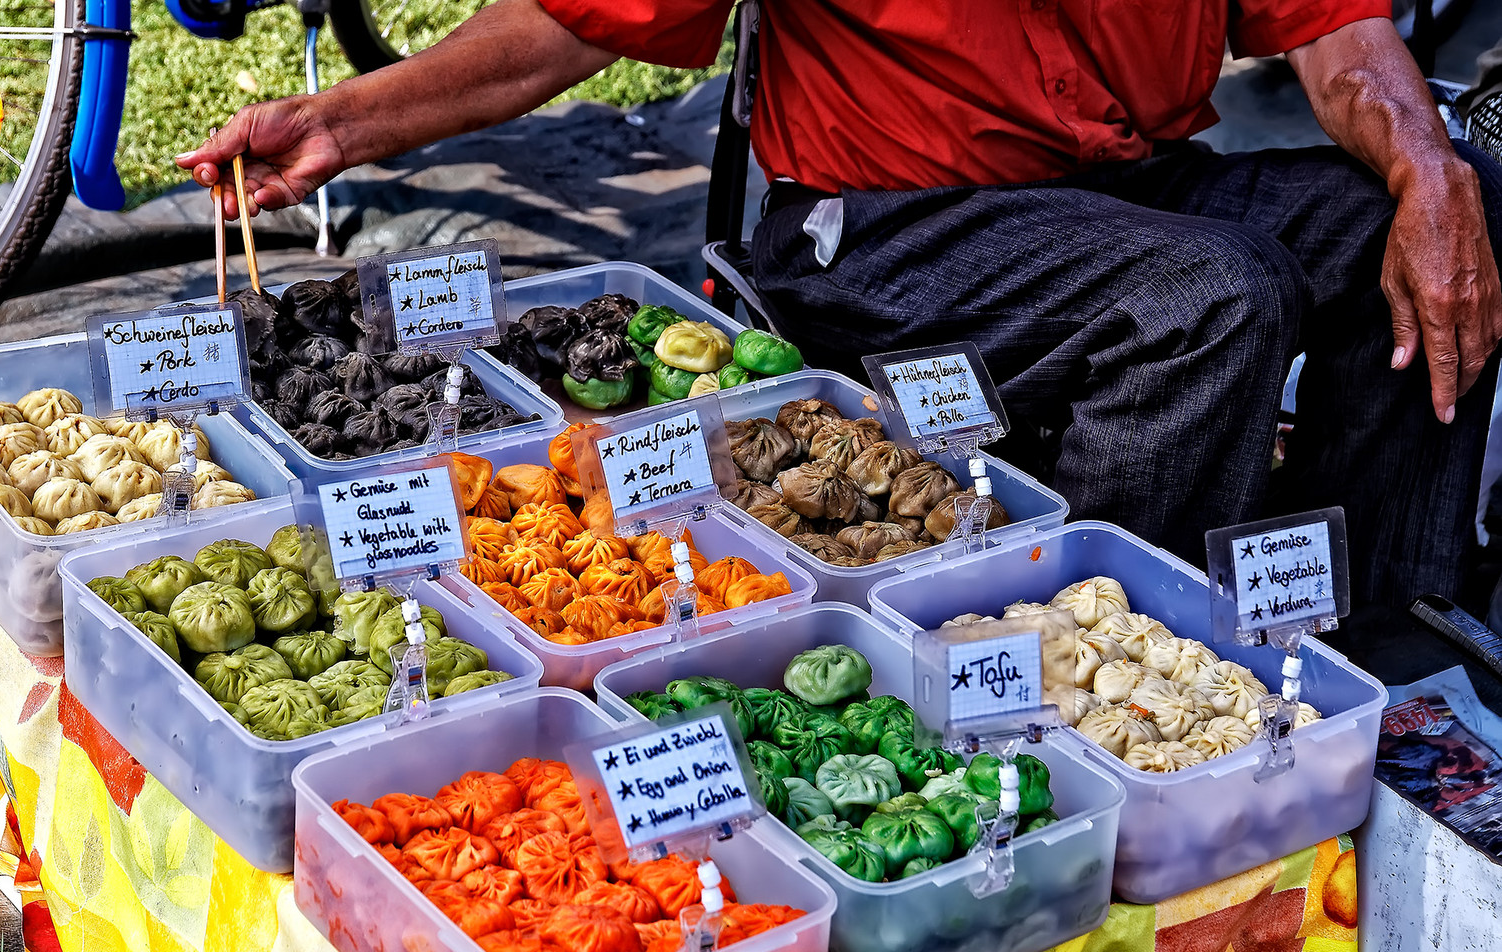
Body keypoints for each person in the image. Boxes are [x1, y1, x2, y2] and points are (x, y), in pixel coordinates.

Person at [178, 1, 1502, 608]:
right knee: (1215, 294)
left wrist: (1428, 166)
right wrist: (335, 127)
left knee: (1441, 210)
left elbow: (1336, 34)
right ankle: (1094, 653)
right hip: (885, 227)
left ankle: (1359, 610)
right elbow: (572, 27)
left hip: (1131, 187)